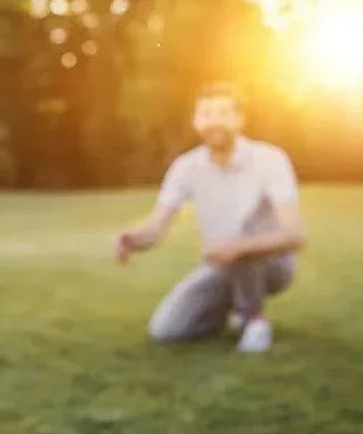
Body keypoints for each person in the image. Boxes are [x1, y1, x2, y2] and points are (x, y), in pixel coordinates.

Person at [114, 83, 305, 353]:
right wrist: (133, 239)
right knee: (166, 331)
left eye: (223, 113)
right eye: (206, 113)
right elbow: (157, 228)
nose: (214, 120)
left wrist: (237, 247)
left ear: (240, 120)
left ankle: (254, 320)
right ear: (195, 121)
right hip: (220, 265)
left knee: (241, 237)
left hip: (273, 267)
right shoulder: (186, 167)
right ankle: (231, 308)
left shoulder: (269, 159)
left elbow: (295, 235)